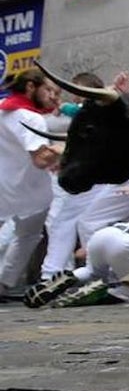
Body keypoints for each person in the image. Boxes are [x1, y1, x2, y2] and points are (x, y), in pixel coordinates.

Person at [0, 69, 61, 300]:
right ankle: (3, 282)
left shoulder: (3, 108)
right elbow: (40, 159)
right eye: (48, 90)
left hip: (3, 185)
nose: (52, 96)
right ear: (30, 87)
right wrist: (62, 150)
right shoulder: (30, 118)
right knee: (26, 237)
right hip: (29, 192)